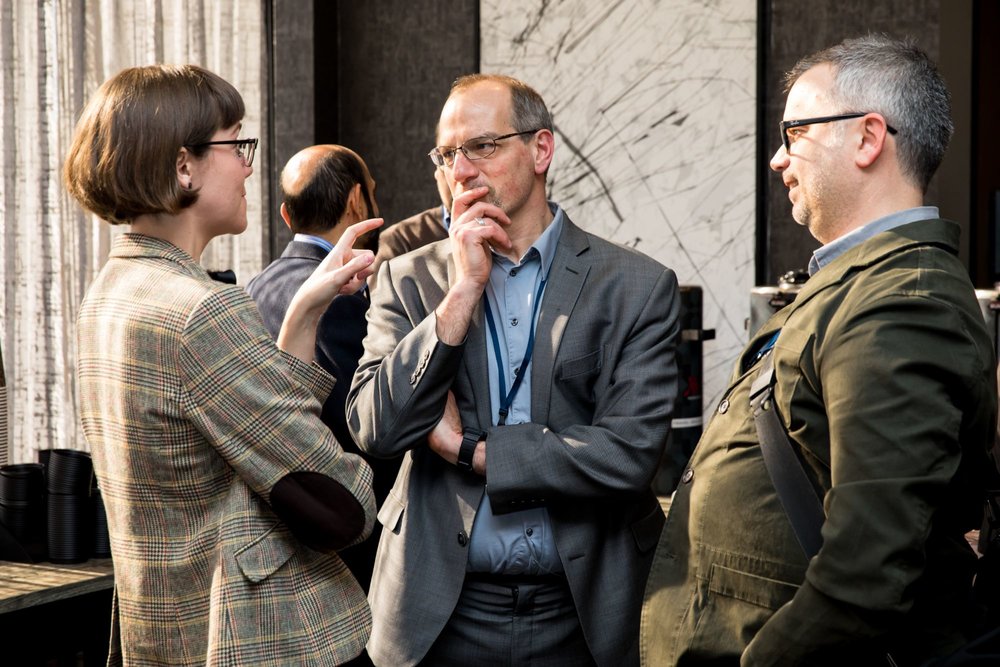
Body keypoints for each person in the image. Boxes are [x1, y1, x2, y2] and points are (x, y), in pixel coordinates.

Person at [641, 34, 998, 666]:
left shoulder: (902, 301)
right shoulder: (864, 283)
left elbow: (864, 574)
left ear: (867, 138)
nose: (778, 159)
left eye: (795, 132)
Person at [347, 73, 681, 667]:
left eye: (482, 146)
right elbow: (376, 429)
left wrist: (475, 453)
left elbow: (630, 455)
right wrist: (461, 294)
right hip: (441, 611)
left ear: (541, 149)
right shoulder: (409, 279)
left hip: (583, 612)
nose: (461, 171)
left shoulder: (636, 287)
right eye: (447, 155)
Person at [65, 64, 381, 666]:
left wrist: (304, 310)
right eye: (237, 145)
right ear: (183, 166)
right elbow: (340, 504)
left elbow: (241, 440)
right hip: (260, 638)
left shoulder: (109, 294)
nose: (248, 166)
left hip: (168, 629)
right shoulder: (203, 311)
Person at [247, 143, 399, 599]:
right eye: (373, 191)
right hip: (342, 548)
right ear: (357, 201)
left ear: (286, 215)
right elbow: (365, 422)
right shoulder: (341, 298)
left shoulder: (255, 286)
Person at [368, 167, 452, 289]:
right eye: (448, 157)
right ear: (437, 173)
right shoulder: (398, 240)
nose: (459, 173)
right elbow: (378, 298)